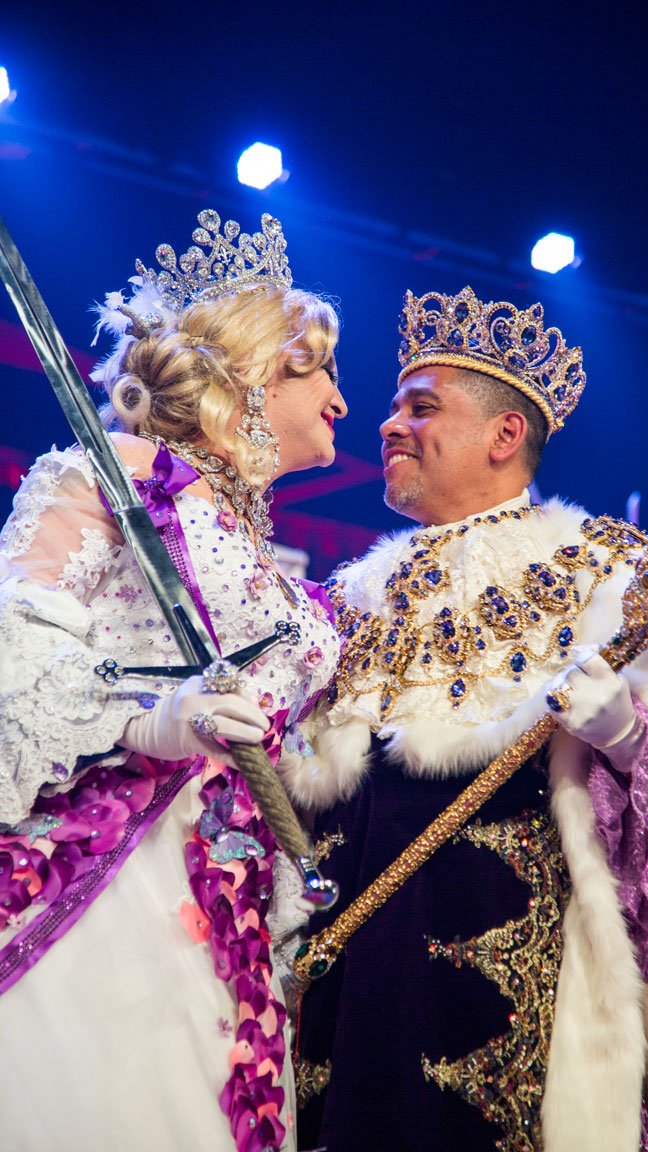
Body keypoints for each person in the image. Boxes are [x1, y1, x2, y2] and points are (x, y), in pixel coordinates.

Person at [278, 287, 648, 1152]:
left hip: (522, 988)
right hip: (346, 979)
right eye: (392, 407)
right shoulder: (349, 597)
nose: (387, 425)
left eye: (419, 407)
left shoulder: (605, 575)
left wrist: (627, 737)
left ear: (505, 437)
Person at [0, 208, 347, 1152]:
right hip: (107, 863)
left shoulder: (278, 563)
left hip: (236, 897)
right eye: (320, 369)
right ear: (251, 372)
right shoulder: (114, 472)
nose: (343, 403)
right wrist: (151, 720)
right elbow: (14, 651)